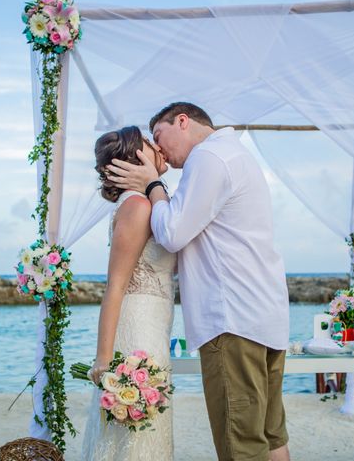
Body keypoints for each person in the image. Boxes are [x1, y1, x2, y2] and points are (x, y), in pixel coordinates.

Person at [107, 102, 291, 461]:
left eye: (160, 136)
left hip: (232, 321)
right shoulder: (236, 155)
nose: (159, 149)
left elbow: (172, 233)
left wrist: (152, 185)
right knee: (271, 437)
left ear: (182, 121)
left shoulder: (207, 158)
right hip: (265, 317)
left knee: (241, 445)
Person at [82, 126, 177, 461]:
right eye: (150, 143)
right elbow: (116, 285)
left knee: (141, 434)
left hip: (153, 324)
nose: (158, 147)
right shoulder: (137, 205)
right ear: (137, 157)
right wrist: (104, 357)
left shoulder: (149, 200)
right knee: (135, 436)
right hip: (138, 331)